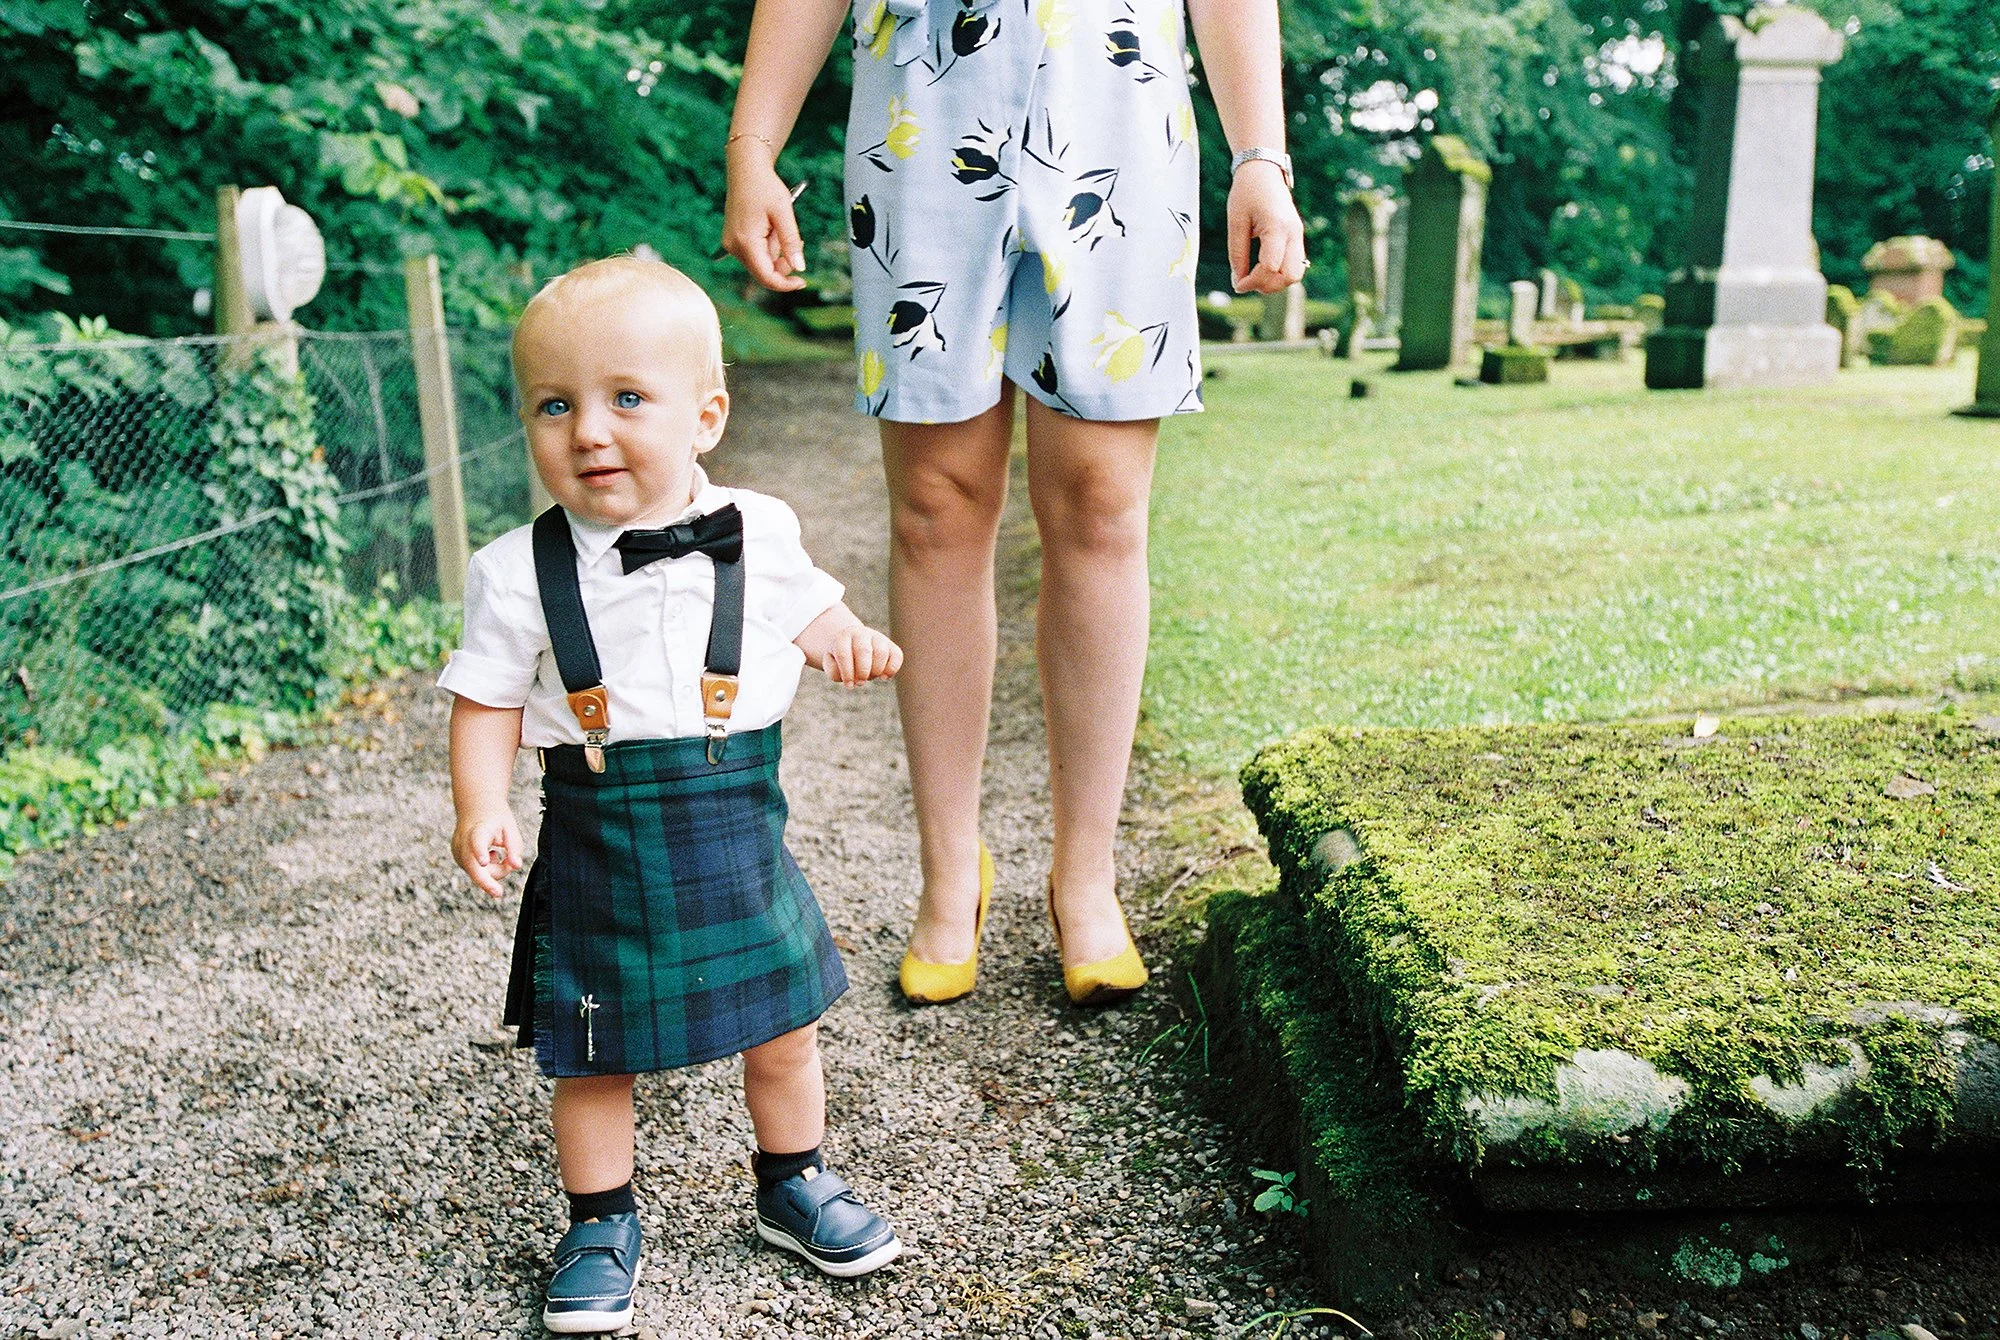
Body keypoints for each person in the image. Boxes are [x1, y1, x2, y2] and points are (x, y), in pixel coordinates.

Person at [723, 0, 1306, 1006]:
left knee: (1101, 504)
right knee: (935, 508)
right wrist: (754, 141)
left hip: (1115, 109)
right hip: (922, 107)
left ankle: (1085, 876)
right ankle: (951, 870)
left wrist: (1260, 153)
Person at [440, 257, 907, 1334]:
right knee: (592, 1049)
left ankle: (794, 1180)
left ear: (706, 416)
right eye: (555, 406)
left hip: (734, 816)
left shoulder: (758, 525)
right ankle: (599, 1217)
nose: (588, 432)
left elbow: (811, 613)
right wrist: (481, 804)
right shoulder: (515, 570)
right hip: (598, 827)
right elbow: (486, 699)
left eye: (625, 399)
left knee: (782, 1021)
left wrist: (850, 643)